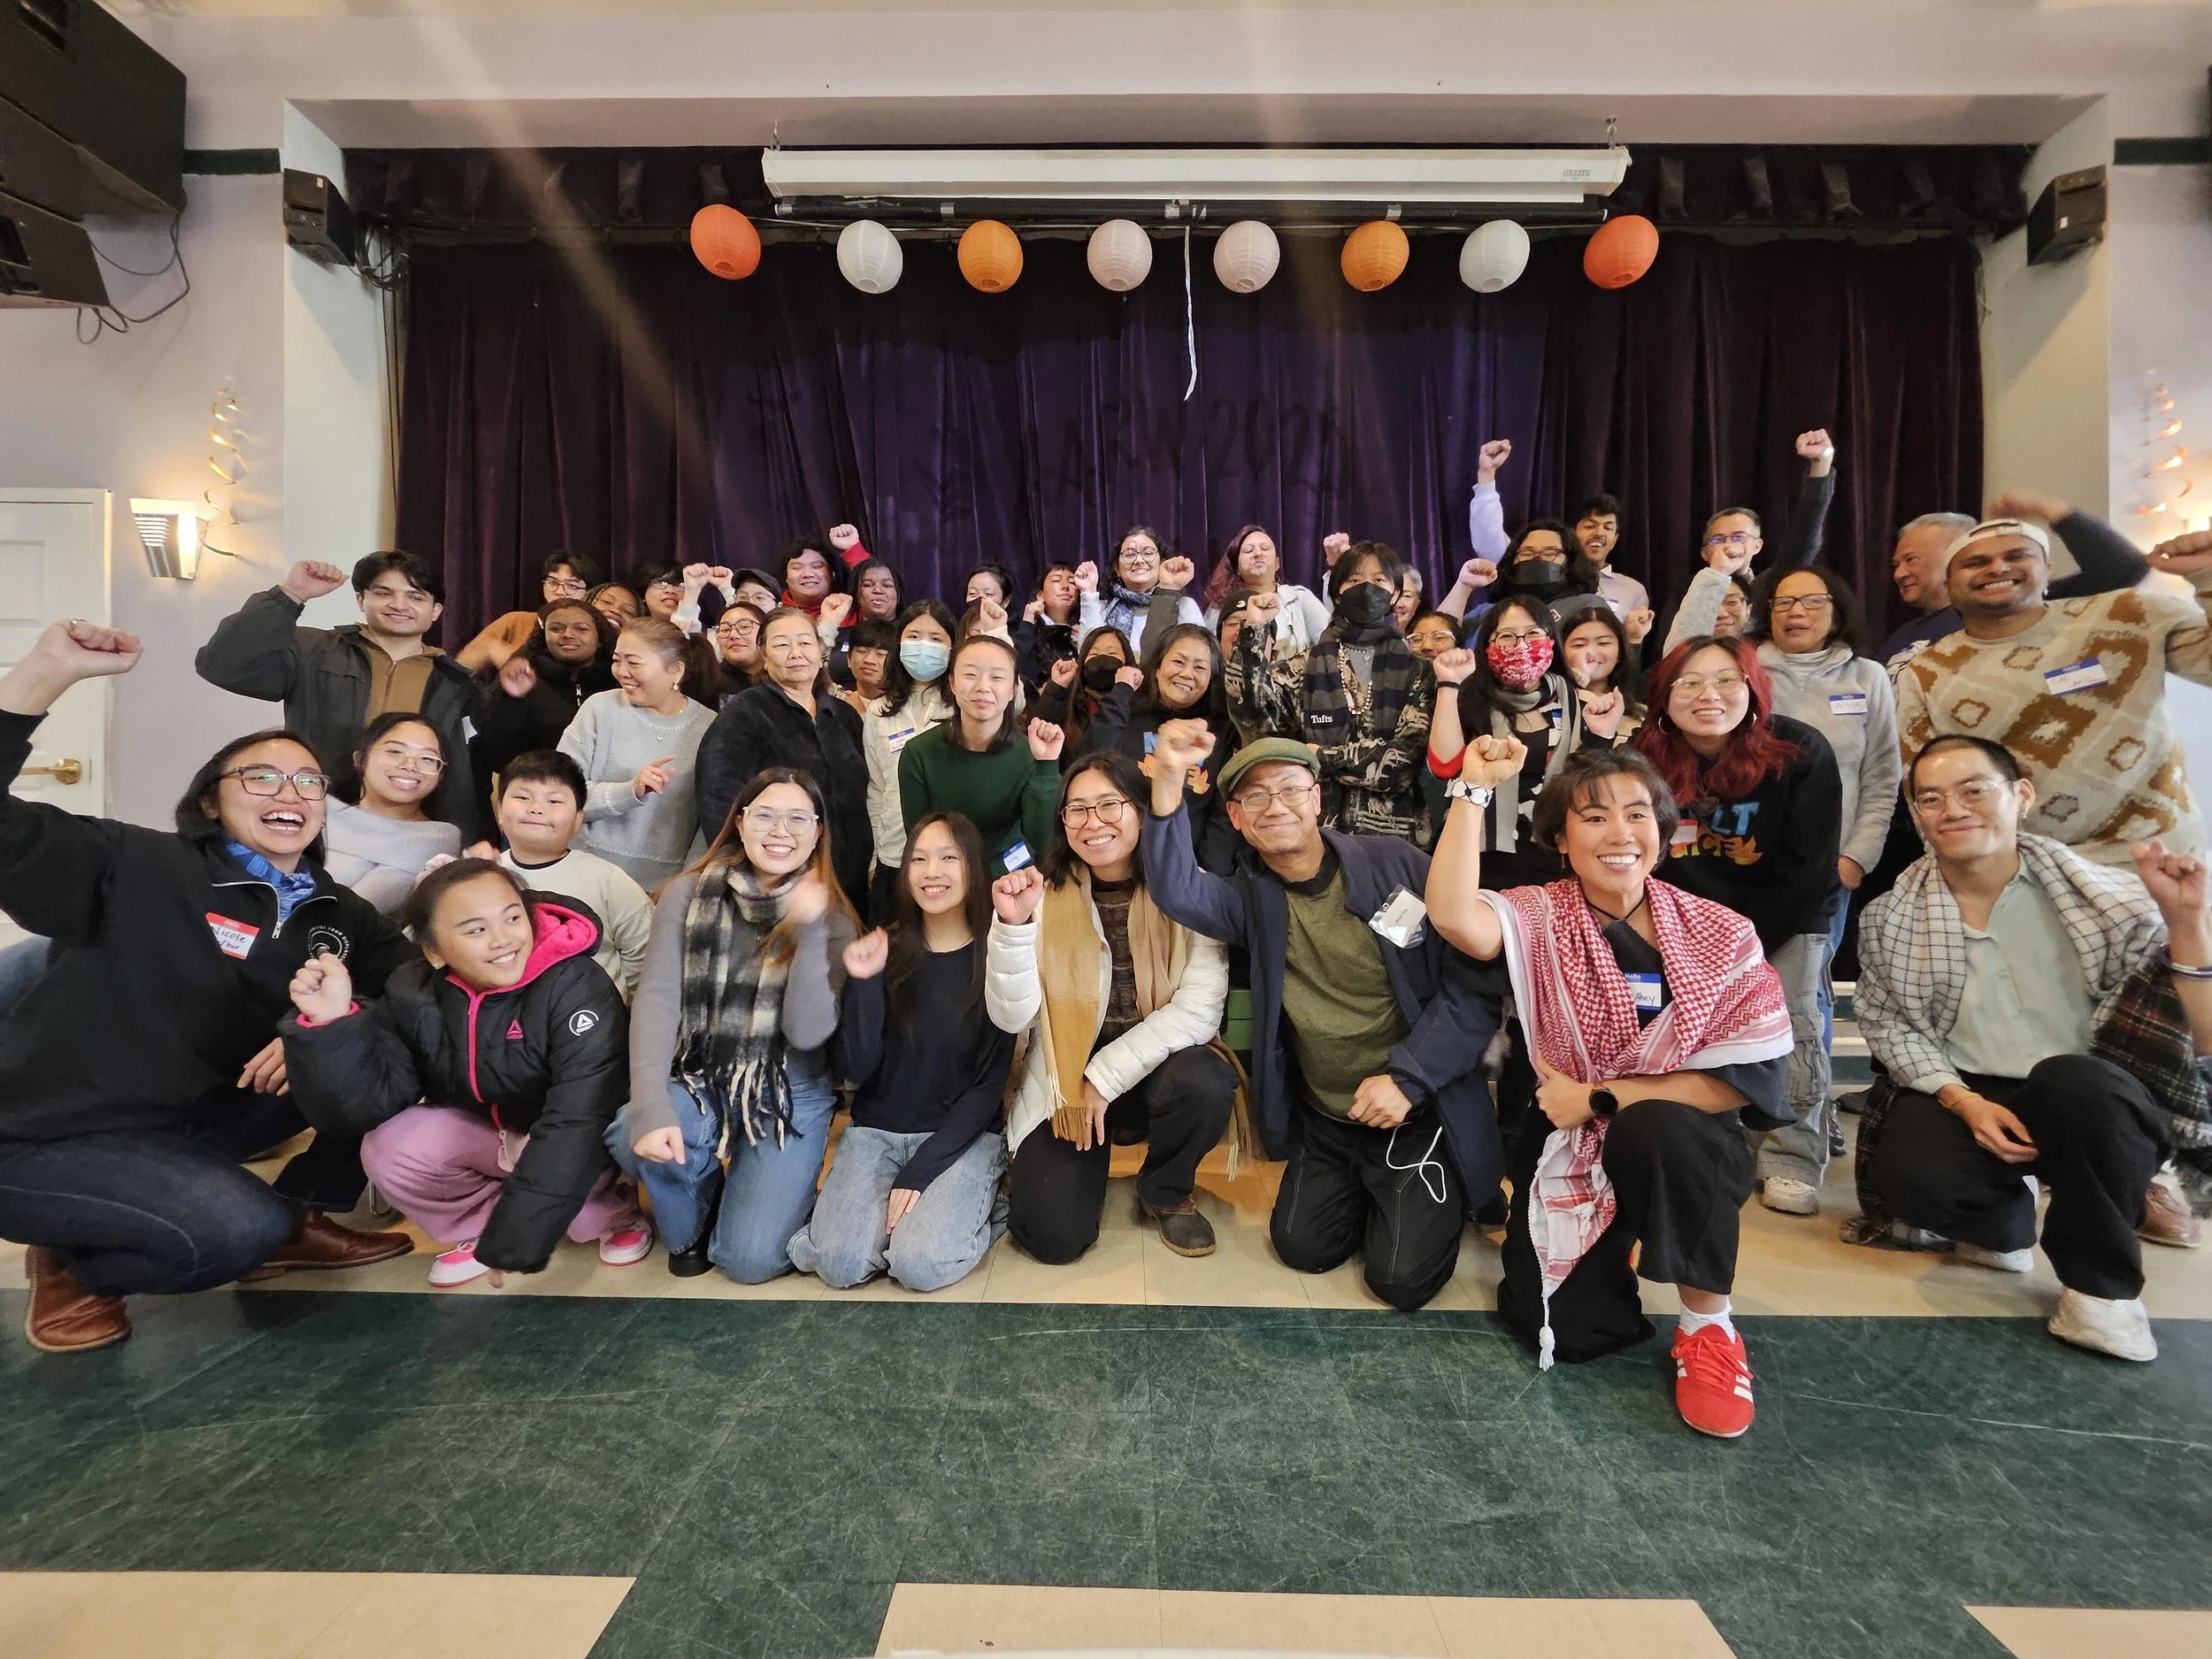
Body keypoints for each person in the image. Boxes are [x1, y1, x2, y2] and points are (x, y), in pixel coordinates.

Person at [0, 620, 417, 1355]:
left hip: (198, 1122)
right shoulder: (133, 863)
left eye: (309, 780)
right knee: (230, 1236)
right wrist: (43, 676)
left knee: (397, 1050)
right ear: (210, 803)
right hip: (55, 1133)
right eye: (260, 776)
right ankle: (73, 1248)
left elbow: (417, 986)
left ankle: (298, 1216)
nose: (290, 789)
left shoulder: (333, 908)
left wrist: (335, 1023)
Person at [1425, 745, 1793, 1438]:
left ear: (1662, 829)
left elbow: (1747, 1080)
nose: (1620, 834)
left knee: (1662, 1129)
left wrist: (1601, 1097)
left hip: (1676, 1128)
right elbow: (1452, 915)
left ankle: (1708, 1326)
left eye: (1636, 814)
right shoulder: (1536, 914)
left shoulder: (1721, 931)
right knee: (1566, 1328)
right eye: (1594, 818)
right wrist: (1471, 790)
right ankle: (1616, 1239)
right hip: (1561, 1130)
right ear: (1562, 840)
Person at [1852, 735, 2212, 1361]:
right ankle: (2002, 1221)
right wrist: (1963, 1101)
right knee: (1912, 1175)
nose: (1953, 809)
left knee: (2081, 1087)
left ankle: (2100, 1291)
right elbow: (1893, 1027)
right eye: (1931, 798)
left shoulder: (2112, 900)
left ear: (2021, 796)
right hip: (1972, 1084)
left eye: (1974, 790)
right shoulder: (1891, 917)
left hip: (2090, 1090)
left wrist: (2186, 921)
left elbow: (2200, 1036)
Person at [1141, 721, 1502, 1310]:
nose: (1274, 805)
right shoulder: (1250, 896)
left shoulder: (1396, 865)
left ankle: (1438, 1180)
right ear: (1235, 818)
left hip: (1414, 1106)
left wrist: (1410, 1078)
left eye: (1288, 789)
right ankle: (1374, 1189)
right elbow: (1178, 890)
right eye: (1254, 796)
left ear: (1317, 799)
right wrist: (1169, 780)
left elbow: (1474, 987)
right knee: (1301, 1247)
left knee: (1400, 1281)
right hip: (1331, 1118)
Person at [281, 858, 649, 1288]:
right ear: (433, 950)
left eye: (513, 918)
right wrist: (332, 1024)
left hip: (577, 1140)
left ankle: (613, 1209)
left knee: (582, 1212)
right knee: (390, 1145)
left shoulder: (576, 984)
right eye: (476, 930)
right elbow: (367, 1108)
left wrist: (516, 1240)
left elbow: (580, 1119)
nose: (502, 940)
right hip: (493, 1140)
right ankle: (481, 1227)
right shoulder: (413, 989)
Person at [606, 769, 859, 1280]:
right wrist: (652, 1106)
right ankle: (698, 1210)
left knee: (750, 1260)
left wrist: (807, 933)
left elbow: (807, 1034)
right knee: (631, 1134)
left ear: (818, 833)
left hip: (791, 1090)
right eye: (765, 815)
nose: (779, 831)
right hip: (701, 1073)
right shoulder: (687, 895)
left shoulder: (833, 918)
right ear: (740, 823)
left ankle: (762, 1187)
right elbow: (657, 999)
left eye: (797, 819)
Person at [987, 754, 1241, 1261]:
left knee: (1206, 1082)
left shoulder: (1192, 890)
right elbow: (1011, 1019)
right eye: (1076, 810)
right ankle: (1079, 1169)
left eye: (1109, 805)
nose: (1092, 822)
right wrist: (1012, 929)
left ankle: (1165, 1190)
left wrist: (1103, 1077)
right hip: (1065, 1081)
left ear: (1143, 812)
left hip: (1151, 1073)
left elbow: (1199, 1012)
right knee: (1052, 1238)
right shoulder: (1041, 894)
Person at [1636, 636, 1840, 1217]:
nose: (1709, 695)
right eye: (1690, 682)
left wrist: (1742, 948)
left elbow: (1808, 868)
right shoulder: (1643, 755)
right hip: (1683, 921)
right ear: (1664, 697)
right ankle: (1701, 1132)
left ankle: (1791, 1155)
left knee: (1793, 1020)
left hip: (1785, 913)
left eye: (1727, 680)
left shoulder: (1800, 751)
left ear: (1752, 688)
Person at [1894, 512, 2212, 866]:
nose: (1998, 568)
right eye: (1976, 562)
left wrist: (2206, 576)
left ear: (2047, 568)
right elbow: (1922, 784)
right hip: (2025, 869)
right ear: (1950, 585)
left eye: (2016, 556)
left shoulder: (2129, 614)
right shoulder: (1926, 672)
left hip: (2159, 858)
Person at [787, 814, 1015, 1292]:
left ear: (974, 868)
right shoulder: (881, 947)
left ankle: (983, 1209)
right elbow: (854, 1068)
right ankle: (861, 1231)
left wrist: (920, 1170)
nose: (932, 871)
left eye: (948, 858)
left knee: (919, 1266)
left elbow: (990, 1085)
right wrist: (865, 985)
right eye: (919, 859)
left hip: (962, 1137)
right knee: (840, 1265)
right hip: (876, 1132)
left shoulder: (998, 951)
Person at [196, 551, 483, 837]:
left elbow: (475, 766)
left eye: (415, 596)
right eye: (384, 593)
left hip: (418, 826)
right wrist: (290, 594)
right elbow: (222, 665)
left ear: (436, 610)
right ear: (361, 600)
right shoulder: (313, 650)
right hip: (317, 812)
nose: (399, 605)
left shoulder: (456, 681)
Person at [1747, 564, 1901, 1050]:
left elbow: (1881, 774)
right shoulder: (1743, 670)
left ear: (1837, 611)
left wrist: (1856, 859)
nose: (1797, 612)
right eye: (1784, 603)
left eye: (1812, 601)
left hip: (1827, 865)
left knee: (1805, 993)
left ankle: (1806, 1114)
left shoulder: (1867, 676)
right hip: (1746, 857)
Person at [1228, 541, 1436, 845]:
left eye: (1379, 580)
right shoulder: (1304, 666)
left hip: (1396, 840)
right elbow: (1254, 717)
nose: (1366, 588)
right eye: (1354, 580)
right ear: (1337, 592)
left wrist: (1320, 758)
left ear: (1395, 594)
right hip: (1315, 838)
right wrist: (1254, 631)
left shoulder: (1418, 671)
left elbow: (1404, 761)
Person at [1425, 604, 1633, 893]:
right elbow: (1444, 766)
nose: (1521, 646)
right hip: (1478, 854)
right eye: (1507, 636)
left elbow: (1586, 783)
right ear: (1488, 646)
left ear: (1551, 641)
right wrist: (1449, 683)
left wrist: (1602, 734)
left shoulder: (1575, 701)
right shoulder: (1470, 698)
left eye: (1533, 634)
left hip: (1554, 853)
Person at [695, 607, 872, 916]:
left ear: (820, 650)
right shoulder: (744, 714)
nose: (795, 653)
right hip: (778, 881)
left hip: (850, 884)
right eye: (781, 644)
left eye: (805, 643)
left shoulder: (845, 716)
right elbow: (718, 801)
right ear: (763, 654)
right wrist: (756, 876)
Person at [1880, 497, 2152, 671]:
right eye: (1896, 564)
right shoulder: (1903, 635)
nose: (1900, 573)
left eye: (1910, 560)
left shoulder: (2032, 606)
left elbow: (2126, 568)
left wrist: (2049, 510)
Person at [557, 618, 716, 889]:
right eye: (617, 660)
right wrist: (630, 790)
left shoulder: (710, 728)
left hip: (662, 887)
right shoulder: (600, 709)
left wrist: (685, 885)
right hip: (583, 873)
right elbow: (561, 794)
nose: (621, 671)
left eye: (633, 662)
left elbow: (708, 822)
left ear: (675, 670)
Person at [487, 749, 655, 999]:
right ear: (500, 812)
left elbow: (644, 970)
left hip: (593, 1025)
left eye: (553, 801)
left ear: (578, 820)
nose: (535, 808)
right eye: (522, 797)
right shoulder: (479, 878)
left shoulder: (609, 881)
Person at [1075, 622, 1240, 872]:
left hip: (1188, 870)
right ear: (1157, 668)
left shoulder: (1220, 732)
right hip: (1119, 866)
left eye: (1200, 668)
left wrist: (1207, 878)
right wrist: (1122, 692)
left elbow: (1221, 814)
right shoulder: (1126, 713)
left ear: (1211, 680)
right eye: (1178, 662)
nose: (1187, 673)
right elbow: (1094, 759)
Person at [898, 634, 1064, 879]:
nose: (983, 687)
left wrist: (1047, 766)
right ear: (952, 683)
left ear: (1013, 690)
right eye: (970, 674)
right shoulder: (919, 753)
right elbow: (920, 838)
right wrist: (960, 877)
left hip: (1013, 878)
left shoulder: (1031, 753)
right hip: (943, 878)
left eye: (997, 677)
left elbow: (1041, 841)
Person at [862, 601, 958, 919]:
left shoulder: (964, 706)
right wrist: (877, 854)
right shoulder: (878, 711)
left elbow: (1013, 702)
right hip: (895, 853)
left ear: (952, 648)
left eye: (935, 639)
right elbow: (877, 787)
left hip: (953, 855)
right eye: (914, 636)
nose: (923, 647)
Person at [321, 712, 465, 916]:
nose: (409, 765)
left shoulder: (439, 842)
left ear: (440, 775)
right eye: (395, 751)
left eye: (427, 758)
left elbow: (358, 912)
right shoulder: (319, 813)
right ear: (360, 759)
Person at [470, 599, 617, 783]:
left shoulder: (617, 683)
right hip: (537, 792)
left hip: (607, 794)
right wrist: (513, 699)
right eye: (556, 629)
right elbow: (495, 756)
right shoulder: (521, 677)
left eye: (581, 629)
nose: (567, 635)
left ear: (600, 639)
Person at [457, 552, 602, 672]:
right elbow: (461, 665)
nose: (560, 591)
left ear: (589, 592)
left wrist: (512, 659)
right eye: (553, 583)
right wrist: (492, 649)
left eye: (571, 586)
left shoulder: (598, 629)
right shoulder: (516, 621)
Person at [1076, 526, 1204, 657]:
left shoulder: (1184, 606)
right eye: (1130, 554)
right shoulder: (1102, 609)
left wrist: (1170, 586)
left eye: (1148, 553)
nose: (1139, 561)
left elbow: (1200, 655)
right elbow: (1088, 657)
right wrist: (1088, 592)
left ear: (1162, 562)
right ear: (1117, 568)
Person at [1202, 525, 1331, 652]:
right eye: (1248, 551)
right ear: (1237, 568)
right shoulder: (1219, 607)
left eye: (1265, 548)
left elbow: (1330, 644)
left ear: (1277, 564)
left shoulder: (1300, 598)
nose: (1258, 554)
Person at [1033, 625, 1135, 757]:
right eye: (1094, 654)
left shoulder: (1139, 704)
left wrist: (1123, 688)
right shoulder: (1071, 702)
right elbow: (1041, 732)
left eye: (1112, 653)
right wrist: (1058, 687)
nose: (1102, 657)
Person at [1559, 607, 1647, 739]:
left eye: (1603, 643)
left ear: (1619, 653)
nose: (1591, 653)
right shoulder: (1549, 706)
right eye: (1579, 645)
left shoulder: (1641, 716)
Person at [1571, 493, 1651, 622]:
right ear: (1573, 534)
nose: (1599, 533)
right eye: (1590, 526)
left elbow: (1633, 640)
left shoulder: (1633, 590)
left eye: (1608, 528)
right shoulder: (1556, 581)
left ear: (1614, 540)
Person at [780, 539, 848, 626]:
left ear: (832, 574)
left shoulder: (851, 609)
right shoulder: (771, 610)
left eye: (817, 566)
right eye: (797, 568)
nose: (807, 574)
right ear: (786, 577)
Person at [709, 602, 766, 703]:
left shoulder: (784, 677)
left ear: (765, 633)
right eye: (725, 629)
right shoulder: (709, 681)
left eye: (744, 627)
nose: (733, 635)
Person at [841, 618, 896, 709]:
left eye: (881, 654)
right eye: (862, 651)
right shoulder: (837, 704)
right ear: (849, 659)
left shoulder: (907, 708)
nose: (869, 660)